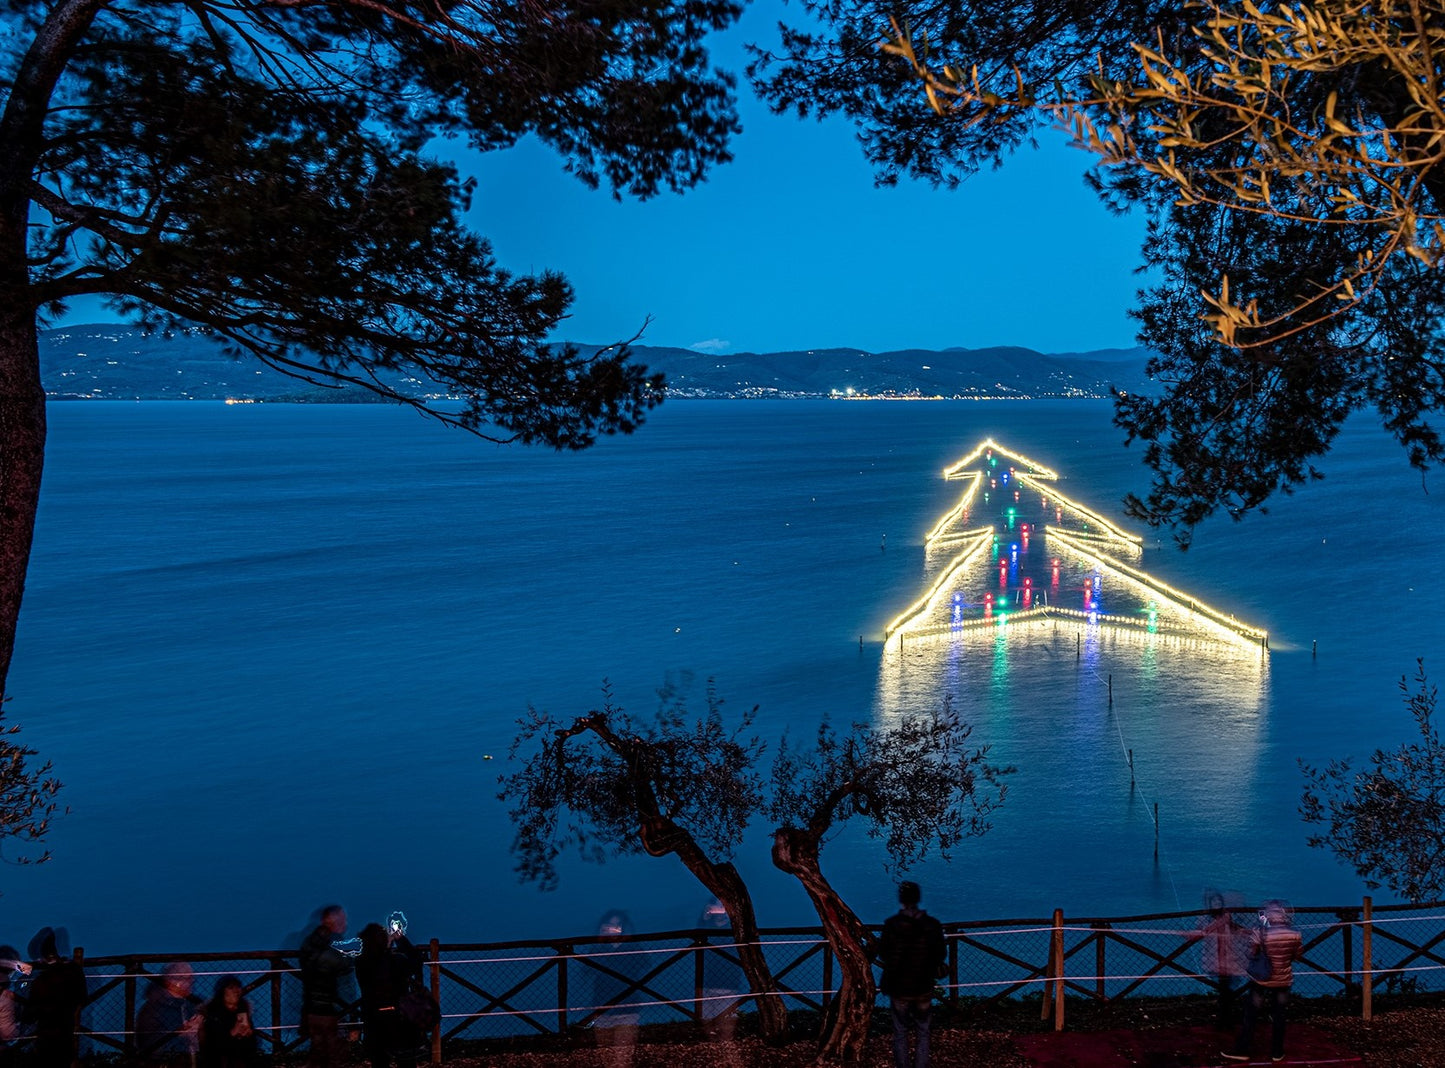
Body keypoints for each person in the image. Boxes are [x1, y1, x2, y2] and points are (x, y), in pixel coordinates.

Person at [1223, 900, 1304, 1064]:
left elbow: (1252, 954)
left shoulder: (1260, 932)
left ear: (1268, 915)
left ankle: (1243, 1050)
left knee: (1250, 1015)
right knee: (1279, 1016)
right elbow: (1298, 957)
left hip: (1261, 980)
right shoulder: (1295, 934)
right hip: (1283, 980)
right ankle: (1277, 1052)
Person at [877, 881, 946, 1068]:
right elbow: (940, 953)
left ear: (901, 900)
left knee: (900, 1030)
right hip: (923, 985)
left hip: (899, 986)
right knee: (923, 1030)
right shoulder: (932, 925)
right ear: (918, 898)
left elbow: (884, 953)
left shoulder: (892, 925)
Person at [354, 922, 423, 1068]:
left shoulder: (361, 962)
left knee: (379, 1060)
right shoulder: (396, 961)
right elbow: (416, 961)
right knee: (405, 1060)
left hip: (372, 1016)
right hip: (398, 1016)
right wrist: (400, 940)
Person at [298, 906, 355, 1068]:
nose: (346, 923)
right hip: (329, 1008)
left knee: (319, 1052)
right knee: (334, 1055)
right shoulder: (333, 945)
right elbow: (345, 966)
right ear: (333, 921)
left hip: (312, 1006)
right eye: (343, 920)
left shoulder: (310, 941)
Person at [24, 927, 86, 1068]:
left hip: (46, 1035)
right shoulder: (75, 971)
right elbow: (82, 998)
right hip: (67, 1032)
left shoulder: (42, 981)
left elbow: (29, 1014)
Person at [1184, 892, 1247, 1030]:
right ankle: (1226, 1019)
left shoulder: (1229, 917)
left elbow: (1240, 930)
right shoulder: (1206, 919)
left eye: (1219, 902)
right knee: (1225, 991)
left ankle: (1226, 1019)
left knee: (1227, 991)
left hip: (1230, 959)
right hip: (1218, 960)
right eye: (1214, 903)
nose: (1217, 905)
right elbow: (1200, 932)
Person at [589, 910, 639, 1068]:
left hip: (628, 1008)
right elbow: (587, 972)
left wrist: (621, 946)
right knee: (605, 1056)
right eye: (609, 925)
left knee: (622, 1059)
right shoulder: (598, 948)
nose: (613, 928)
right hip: (602, 1007)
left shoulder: (632, 948)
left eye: (617, 925)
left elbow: (643, 965)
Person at [136, 962, 204, 1068]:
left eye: (190, 978)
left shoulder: (192, 1006)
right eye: (182, 978)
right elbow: (148, 1046)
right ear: (168, 980)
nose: (188, 983)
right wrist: (181, 1034)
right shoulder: (153, 1009)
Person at [198, 976, 256, 1068]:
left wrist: (249, 1034)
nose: (236, 991)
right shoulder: (212, 1013)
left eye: (238, 987)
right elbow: (212, 1045)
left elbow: (252, 1045)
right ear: (222, 992)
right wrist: (233, 1032)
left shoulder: (243, 1009)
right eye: (231, 988)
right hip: (218, 1061)